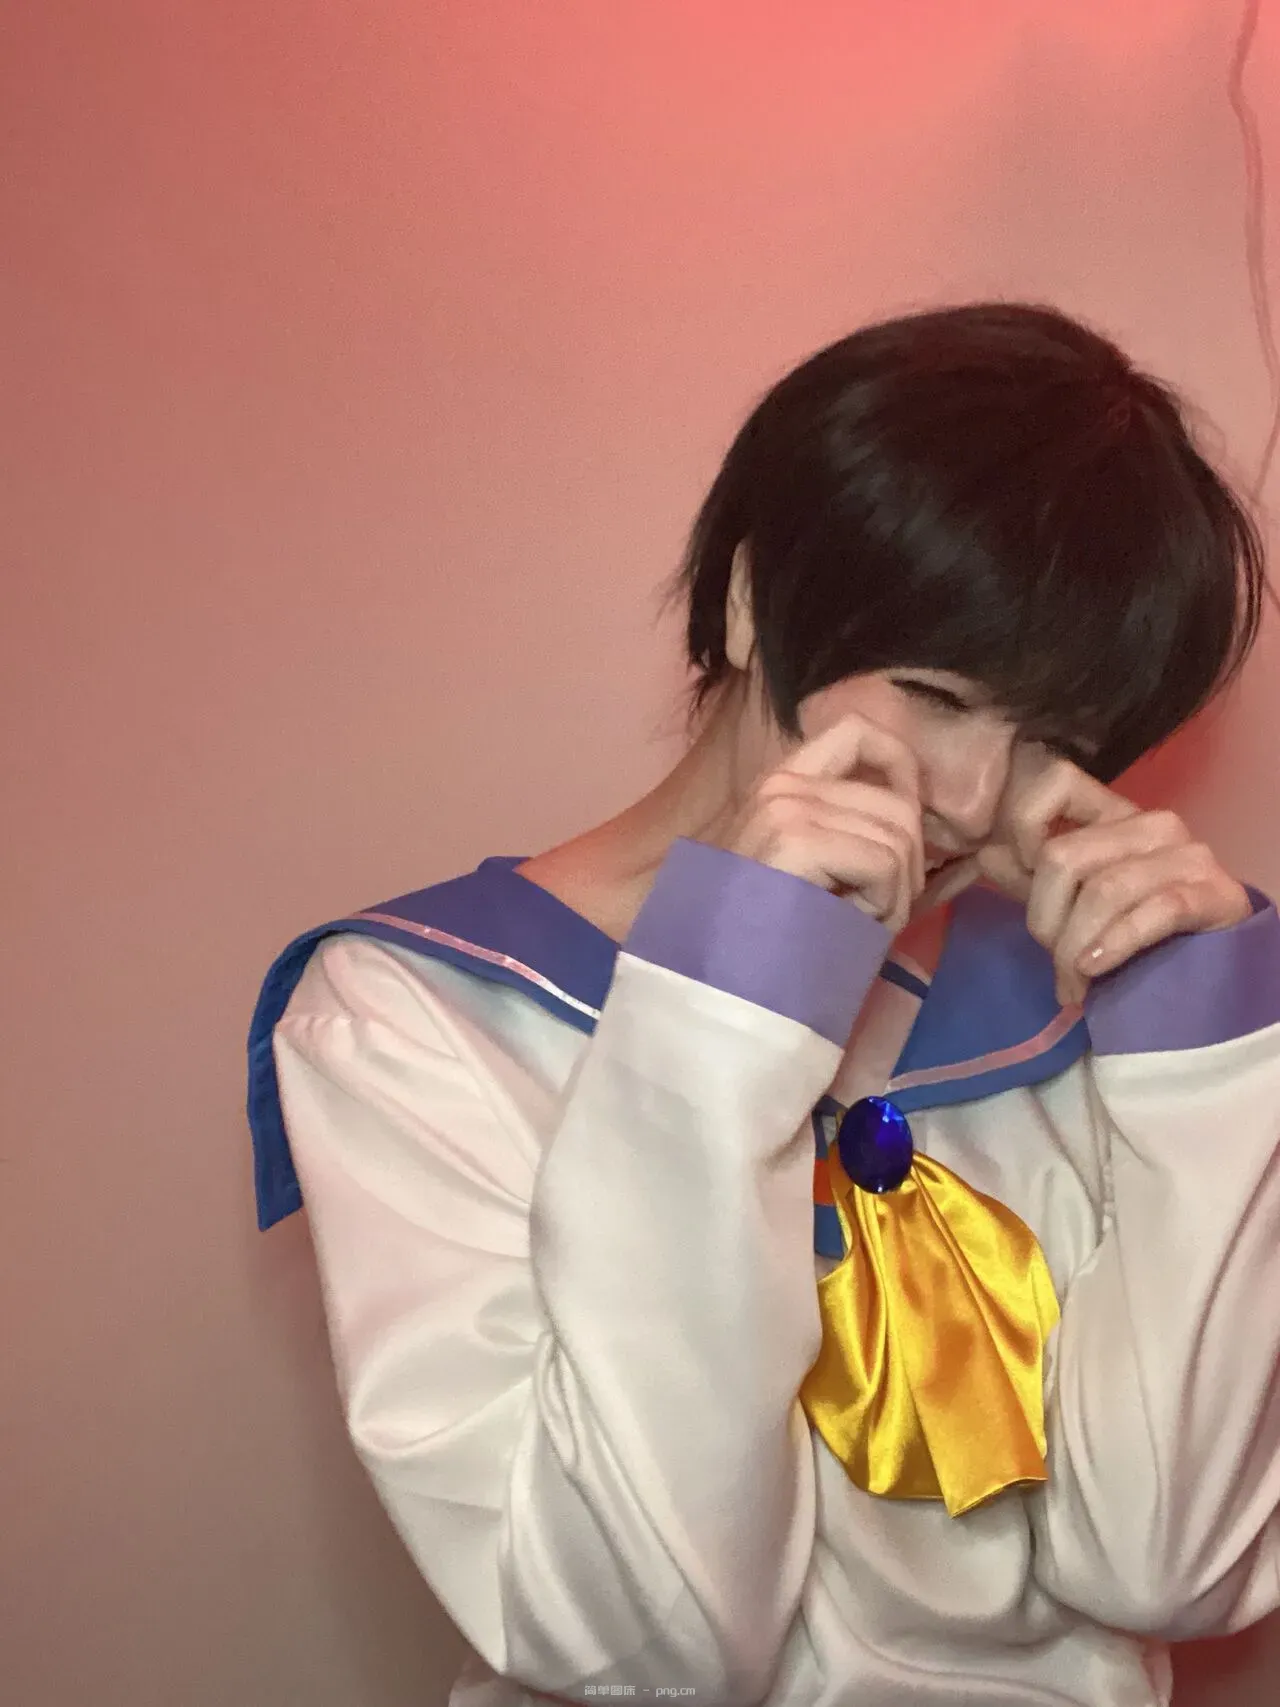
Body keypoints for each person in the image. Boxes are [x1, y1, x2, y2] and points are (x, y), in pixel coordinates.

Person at [245, 302, 1280, 1707]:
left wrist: (1210, 1071)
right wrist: (720, 1009)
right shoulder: (414, 1014)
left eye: (1054, 735)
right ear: (745, 601)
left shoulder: (1084, 992)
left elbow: (1170, 1568)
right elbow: (644, 1647)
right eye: (933, 693)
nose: (972, 797)